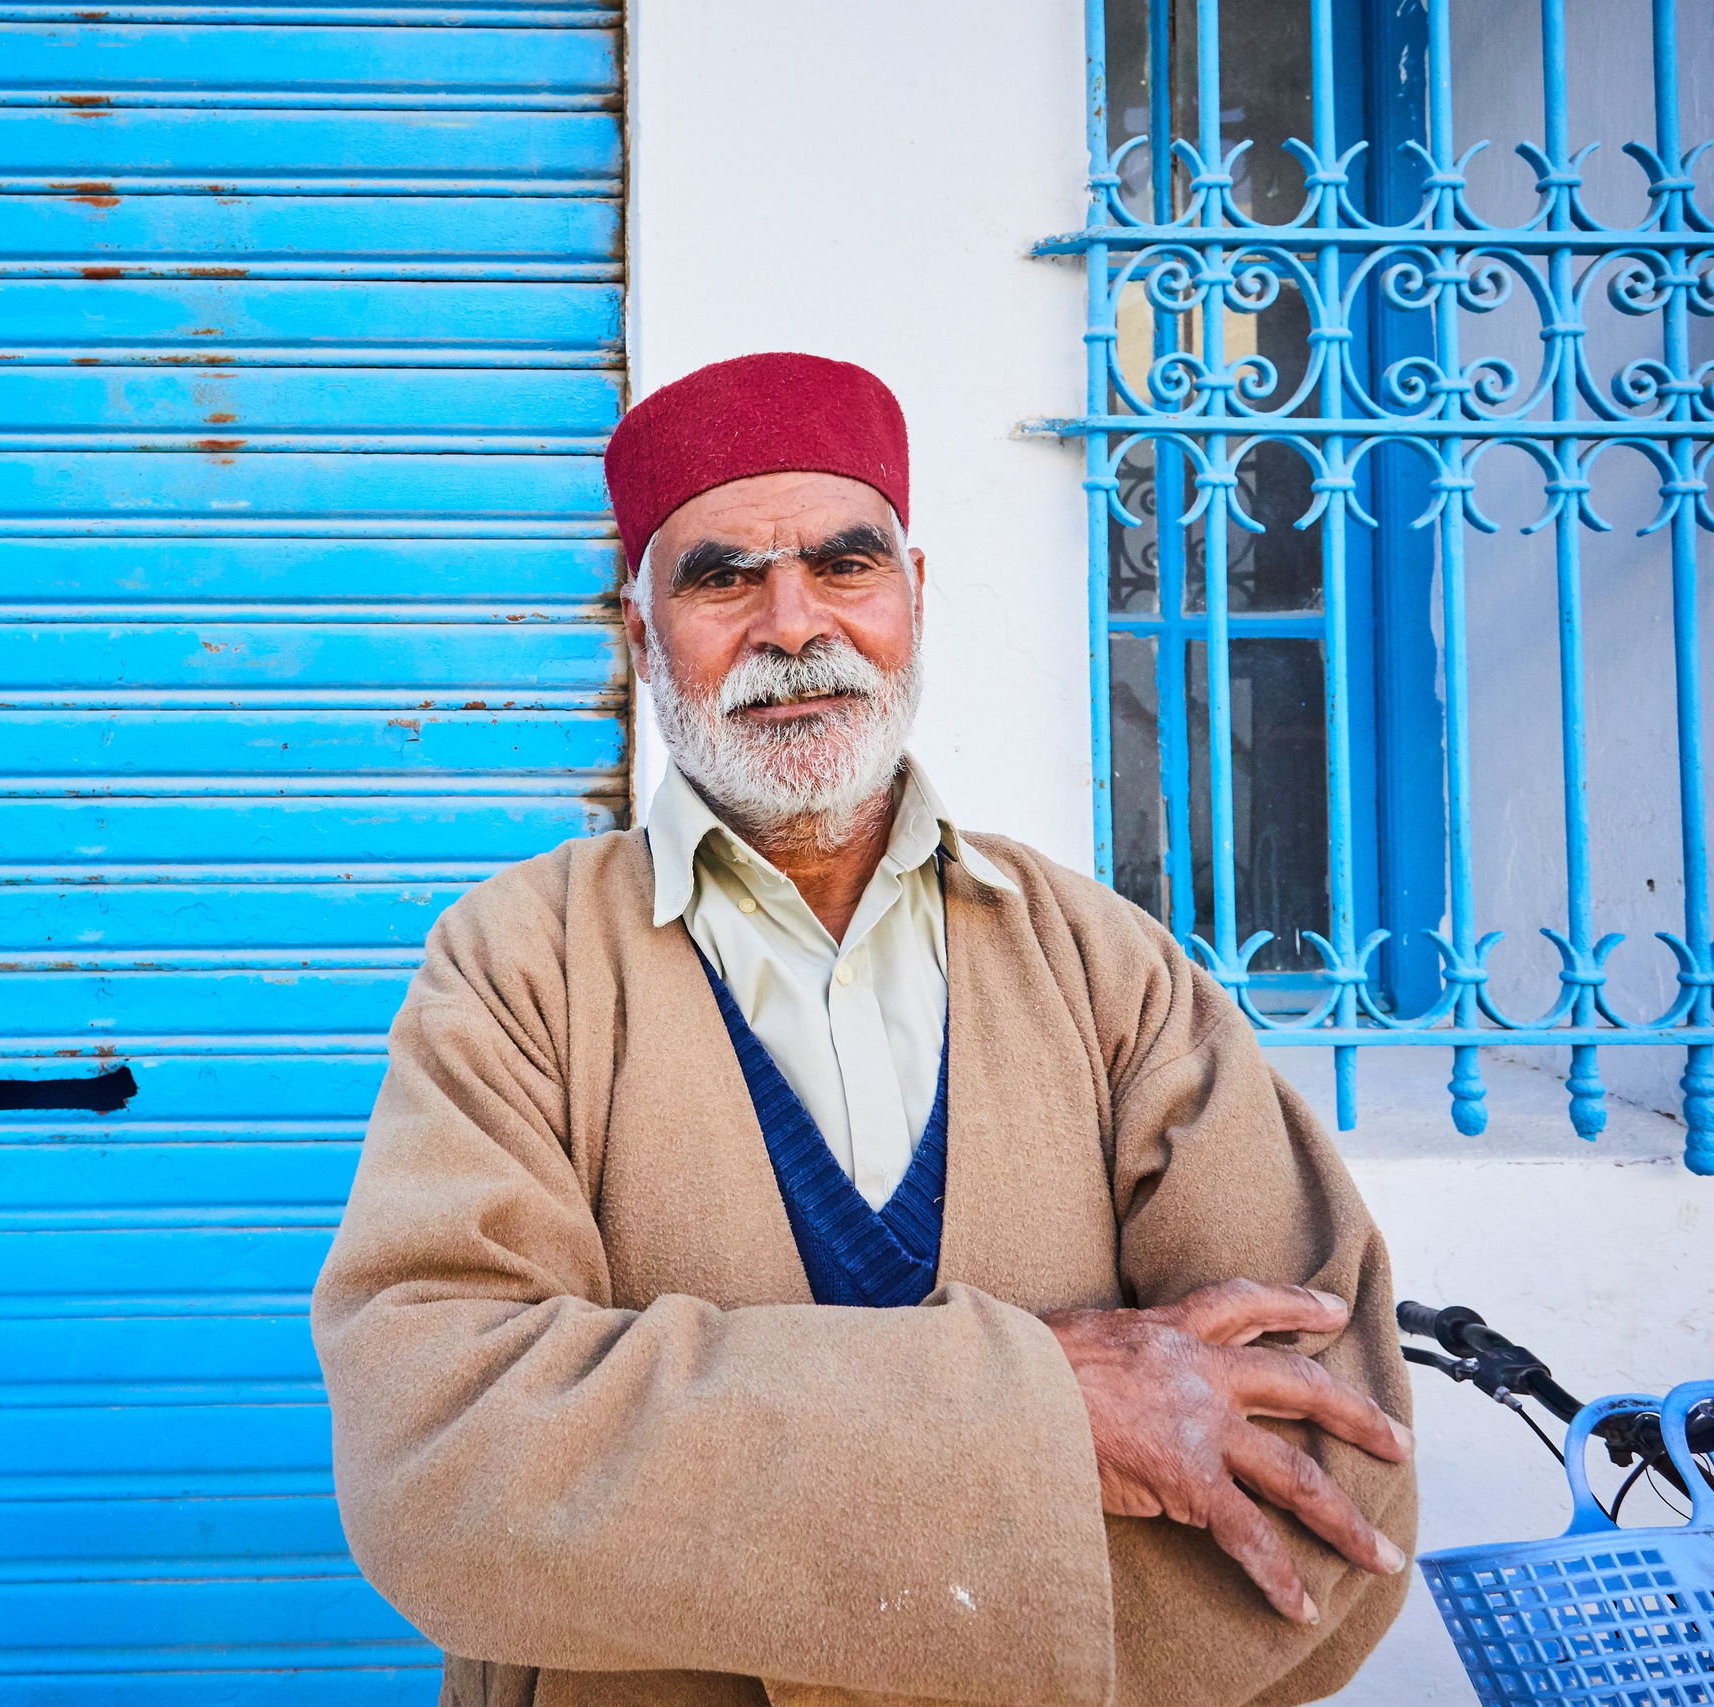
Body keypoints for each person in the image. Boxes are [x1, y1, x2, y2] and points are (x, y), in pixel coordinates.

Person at [308, 353, 1417, 1707]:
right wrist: (1040, 1424)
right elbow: (440, 1456)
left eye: (846, 565)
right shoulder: (517, 967)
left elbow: (1329, 1472)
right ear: (642, 635)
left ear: (913, 598)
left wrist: (707, 1527)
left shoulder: (1104, 966)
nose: (793, 626)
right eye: (721, 578)